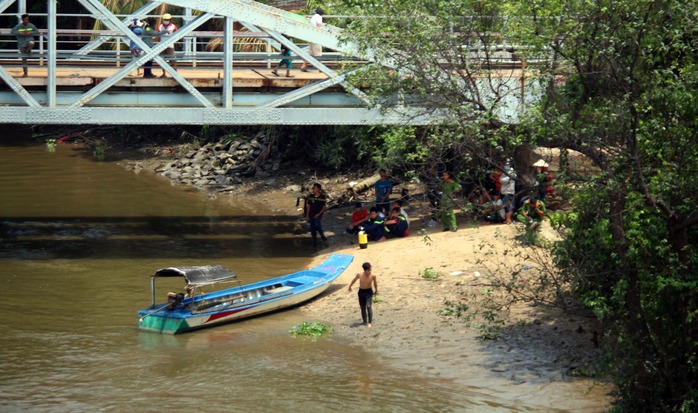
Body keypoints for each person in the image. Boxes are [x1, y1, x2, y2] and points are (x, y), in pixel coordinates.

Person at [348, 262, 378, 328]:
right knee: (362, 307)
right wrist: (350, 286)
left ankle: (370, 322)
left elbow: (375, 283)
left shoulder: (373, 275)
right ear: (365, 270)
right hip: (361, 291)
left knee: (369, 306)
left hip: (369, 291)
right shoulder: (360, 274)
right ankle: (365, 321)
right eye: (368, 270)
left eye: (370, 269)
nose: (370, 271)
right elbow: (354, 280)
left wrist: (376, 290)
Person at [300, 8, 324, 72]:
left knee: (311, 52)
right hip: (316, 38)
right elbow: (318, 26)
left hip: (311, 37)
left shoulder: (313, 17)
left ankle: (304, 66)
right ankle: (321, 68)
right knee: (318, 52)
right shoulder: (319, 17)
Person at [305, 183, 327, 248]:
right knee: (312, 228)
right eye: (313, 188)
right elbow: (308, 206)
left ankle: (322, 235)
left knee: (317, 225)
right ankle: (314, 241)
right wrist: (307, 215)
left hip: (318, 214)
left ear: (318, 189)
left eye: (314, 188)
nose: (313, 189)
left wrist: (318, 214)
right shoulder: (311, 197)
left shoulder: (322, 197)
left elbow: (324, 207)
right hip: (311, 214)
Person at [157, 13, 178, 77]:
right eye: (165, 19)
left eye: (167, 19)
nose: (166, 20)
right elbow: (157, 33)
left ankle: (175, 74)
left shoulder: (173, 26)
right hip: (162, 45)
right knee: (162, 60)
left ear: (170, 20)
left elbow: (177, 33)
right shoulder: (160, 26)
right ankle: (163, 74)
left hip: (170, 45)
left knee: (172, 60)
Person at [499, 159, 517, 224]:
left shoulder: (512, 172)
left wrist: (503, 180)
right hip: (504, 191)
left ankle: (508, 220)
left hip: (509, 191)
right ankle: (507, 219)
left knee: (506, 205)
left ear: (510, 164)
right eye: (506, 164)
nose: (506, 165)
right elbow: (500, 180)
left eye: (508, 164)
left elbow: (505, 180)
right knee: (506, 206)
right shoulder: (504, 172)